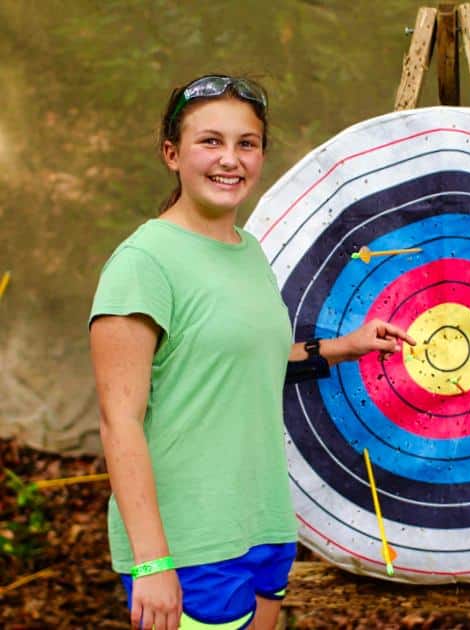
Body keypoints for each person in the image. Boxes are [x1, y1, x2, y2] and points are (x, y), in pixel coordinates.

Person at [89, 74, 414, 630]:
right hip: (190, 545)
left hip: (263, 526)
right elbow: (119, 421)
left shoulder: (248, 249)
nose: (230, 160)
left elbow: (232, 359)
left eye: (247, 143)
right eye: (210, 141)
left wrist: (345, 347)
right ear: (172, 153)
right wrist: (153, 562)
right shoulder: (143, 262)